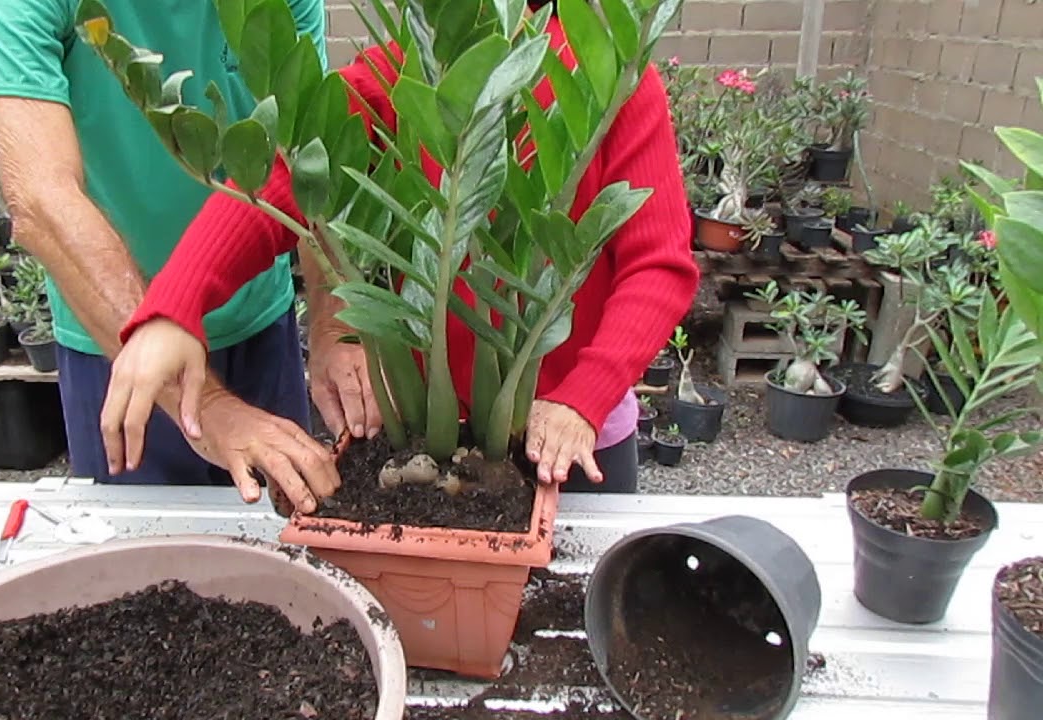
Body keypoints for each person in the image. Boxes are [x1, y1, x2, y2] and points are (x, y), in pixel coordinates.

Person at [99, 1, 700, 512]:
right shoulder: (407, 71)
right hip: (419, 448)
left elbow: (659, 264)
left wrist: (583, 397)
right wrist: (174, 306)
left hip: (572, 438)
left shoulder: (605, 79)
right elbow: (289, 177)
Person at [0, 0, 351, 502]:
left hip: (259, 328)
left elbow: (307, 151)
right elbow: (41, 200)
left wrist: (333, 328)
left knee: (284, 540)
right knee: (146, 562)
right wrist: (206, 407)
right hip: (118, 345)